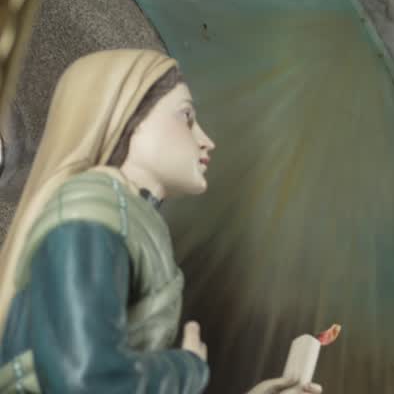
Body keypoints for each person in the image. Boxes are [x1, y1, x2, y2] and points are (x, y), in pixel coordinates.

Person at [0, 49, 321, 394]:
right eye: (186, 115)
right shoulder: (95, 206)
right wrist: (187, 368)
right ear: (128, 117)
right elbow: (85, 379)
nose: (205, 140)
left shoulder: (127, 216)